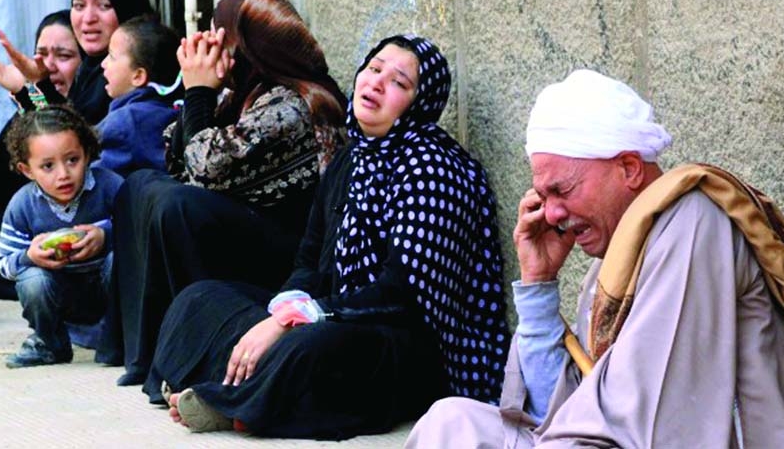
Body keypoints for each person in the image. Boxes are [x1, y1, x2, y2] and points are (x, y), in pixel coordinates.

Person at [405, 69, 784, 448]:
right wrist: (538, 285)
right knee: (451, 423)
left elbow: (649, 423)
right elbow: (557, 412)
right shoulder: (612, 261)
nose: (550, 216)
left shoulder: (694, 223)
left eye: (562, 192)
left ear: (628, 168)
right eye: (543, 197)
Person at [143, 34, 512, 440]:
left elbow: (400, 296)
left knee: (311, 348)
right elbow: (308, 260)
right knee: (199, 300)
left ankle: (241, 404)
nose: (376, 83)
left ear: (418, 105)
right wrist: (283, 311)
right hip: (333, 315)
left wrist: (301, 318)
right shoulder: (351, 158)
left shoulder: (435, 170)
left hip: (405, 348)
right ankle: (242, 395)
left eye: (399, 83)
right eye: (374, 69)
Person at [99, 0, 348, 385]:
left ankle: (186, 354)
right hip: (248, 226)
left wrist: (198, 91)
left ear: (246, 45)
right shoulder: (245, 94)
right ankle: (138, 353)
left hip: (290, 260)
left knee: (178, 205)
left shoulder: (298, 103)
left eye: (221, 35)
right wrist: (199, 92)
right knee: (142, 185)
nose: (211, 44)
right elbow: (178, 160)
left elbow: (206, 169)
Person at [0, 105, 123, 368]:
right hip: (60, 296)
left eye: (72, 160)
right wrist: (30, 256)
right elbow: (4, 264)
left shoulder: (109, 186)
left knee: (120, 259)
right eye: (48, 166)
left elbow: (140, 234)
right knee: (32, 280)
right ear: (27, 170)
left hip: (108, 289)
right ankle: (50, 342)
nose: (63, 174)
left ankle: (120, 337)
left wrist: (105, 234)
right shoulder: (23, 205)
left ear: (87, 154)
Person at [0, 10, 83, 300]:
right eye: (40, 55)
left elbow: (66, 127)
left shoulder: (95, 114)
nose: (47, 68)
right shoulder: (22, 119)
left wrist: (27, 93)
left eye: (64, 56)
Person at [0, 0, 150, 125]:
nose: (88, 18)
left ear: (126, 7)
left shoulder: (131, 78)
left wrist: (36, 87)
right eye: (79, 6)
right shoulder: (87, 74)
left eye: (104, 5)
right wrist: (26, 90)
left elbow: (75, 140)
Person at [91, 16, 182, 176]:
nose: (103, 64)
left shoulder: (126, 122)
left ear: (138, 76)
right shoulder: (173, 109)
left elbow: (93, 181)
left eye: (111, 56)